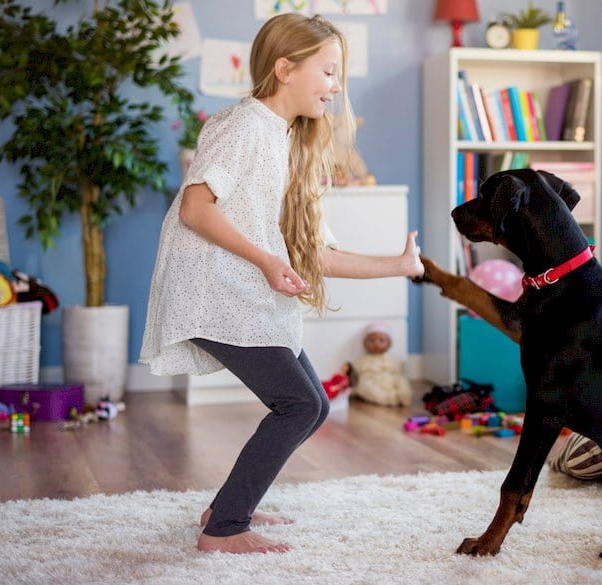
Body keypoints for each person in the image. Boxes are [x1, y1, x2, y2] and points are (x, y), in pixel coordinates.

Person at [140, 13, 423, 555]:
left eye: (339, 76)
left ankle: (226, 508)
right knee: (296, 403)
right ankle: (223, 531)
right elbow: (197, 210)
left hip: (242, 291)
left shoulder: (289, 142)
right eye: (329, 72)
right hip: (211, 292)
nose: (337, 87)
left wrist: (399, 264)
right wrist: (268, 261)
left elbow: (318, 253)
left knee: (311, 403)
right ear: (285, 69)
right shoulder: (242, 125)